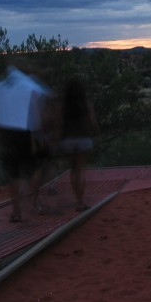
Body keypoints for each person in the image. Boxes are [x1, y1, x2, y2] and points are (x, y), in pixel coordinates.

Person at [0, 64, 53, 222]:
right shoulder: (30, 87)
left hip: (6, 134)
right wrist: (41, 133)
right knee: (34, 169)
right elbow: (39, 111)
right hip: (25, 133)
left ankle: (16, 210)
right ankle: (34, 202)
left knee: (13, 174)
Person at [57, 76, 99, 211]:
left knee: (73, 170)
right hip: (84, 139)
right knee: (81, 170)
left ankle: (77, 199)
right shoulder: (85, 103)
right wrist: (97, 132)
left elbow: (59, 123)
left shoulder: (63, 105)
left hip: (68, 140)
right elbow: (92, 121)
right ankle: (80, 201)